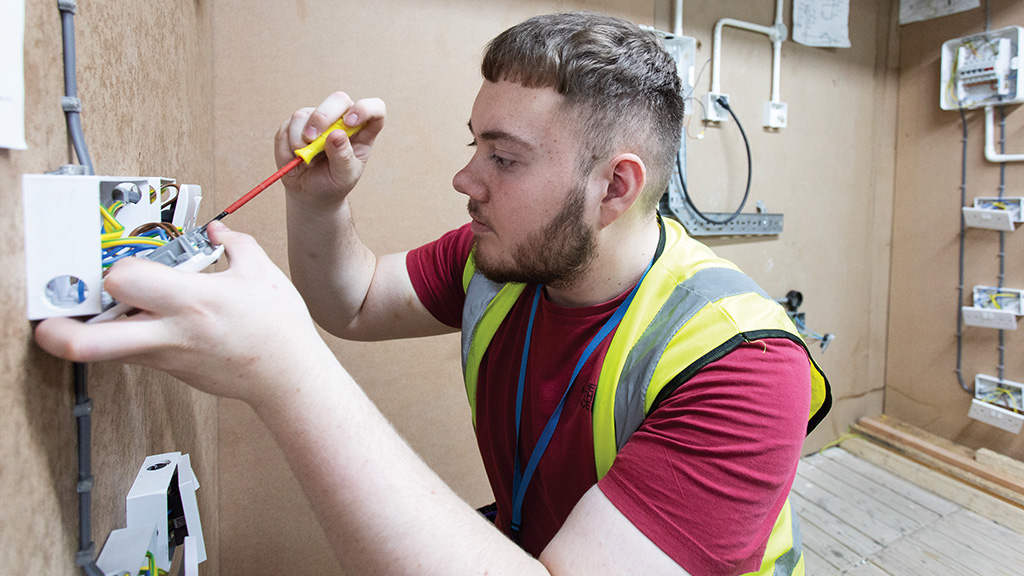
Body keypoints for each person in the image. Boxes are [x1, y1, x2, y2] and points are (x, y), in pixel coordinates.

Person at [37, 12, 830, 576]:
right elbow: (352, 301)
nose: (465, 180)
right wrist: (319, 203)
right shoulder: (508, 257)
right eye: (472, 145)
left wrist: (287, 375)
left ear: (614, 186)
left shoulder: (745, 367)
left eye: (505, 158)